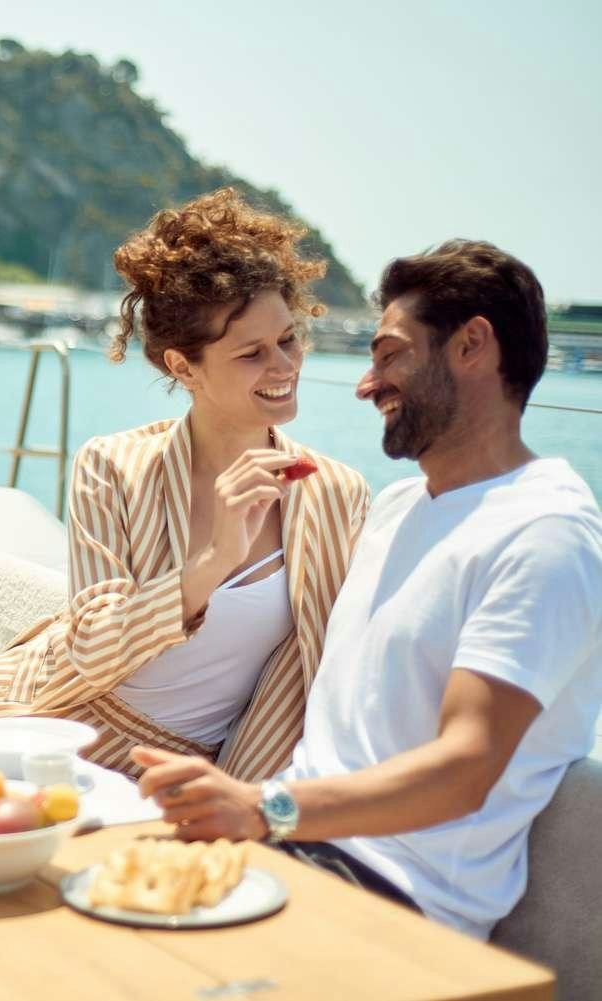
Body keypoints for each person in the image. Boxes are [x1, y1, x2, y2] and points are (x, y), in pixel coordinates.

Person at [133, 239, 602, 938]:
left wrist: (264, 806)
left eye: (389, 354)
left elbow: (466, 766)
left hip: (393, 898)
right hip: (283, 856)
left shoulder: (546, 533)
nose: (365, 382)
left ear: (473, 345)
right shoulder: (396, 507)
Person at [0, 188, 369, 781]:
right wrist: (212, 563)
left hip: (187, 775)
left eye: (289, 339)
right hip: (49, 723)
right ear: (184, 367)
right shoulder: (113, 466)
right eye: (251, 353)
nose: (284, 366)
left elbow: (338, 665)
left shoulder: (336, 493)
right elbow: (89, 650)